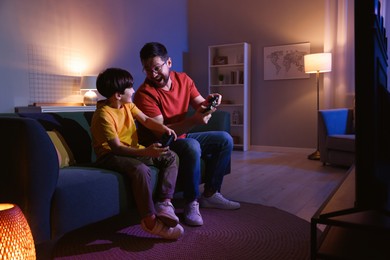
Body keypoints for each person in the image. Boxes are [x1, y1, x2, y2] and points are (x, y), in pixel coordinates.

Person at [133, 42, 240, 227]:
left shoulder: (183, 79)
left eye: (157, 68)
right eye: (147, 70)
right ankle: (192, 202)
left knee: (225, 139)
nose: (153, 74)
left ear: (169, 62)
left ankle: (211, 194)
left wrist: (210, 103)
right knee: (192, 145)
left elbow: (199, 104)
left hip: (181, 136)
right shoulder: (144, 94)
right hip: (161, 144)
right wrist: (194, 120)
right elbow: (162, 133)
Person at [90, 67, 184, 240]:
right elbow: (117, 148)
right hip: (109, 156)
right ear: (118, 94)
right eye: (130, 87)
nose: (134, 90)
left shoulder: (128, 105)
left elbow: (147, 120)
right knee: (140, 169)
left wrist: (164, 128)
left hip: (132, 150)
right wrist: (146, 151)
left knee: (171, 156)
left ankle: (165, 202)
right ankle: (150, 221)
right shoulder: (103, 115)